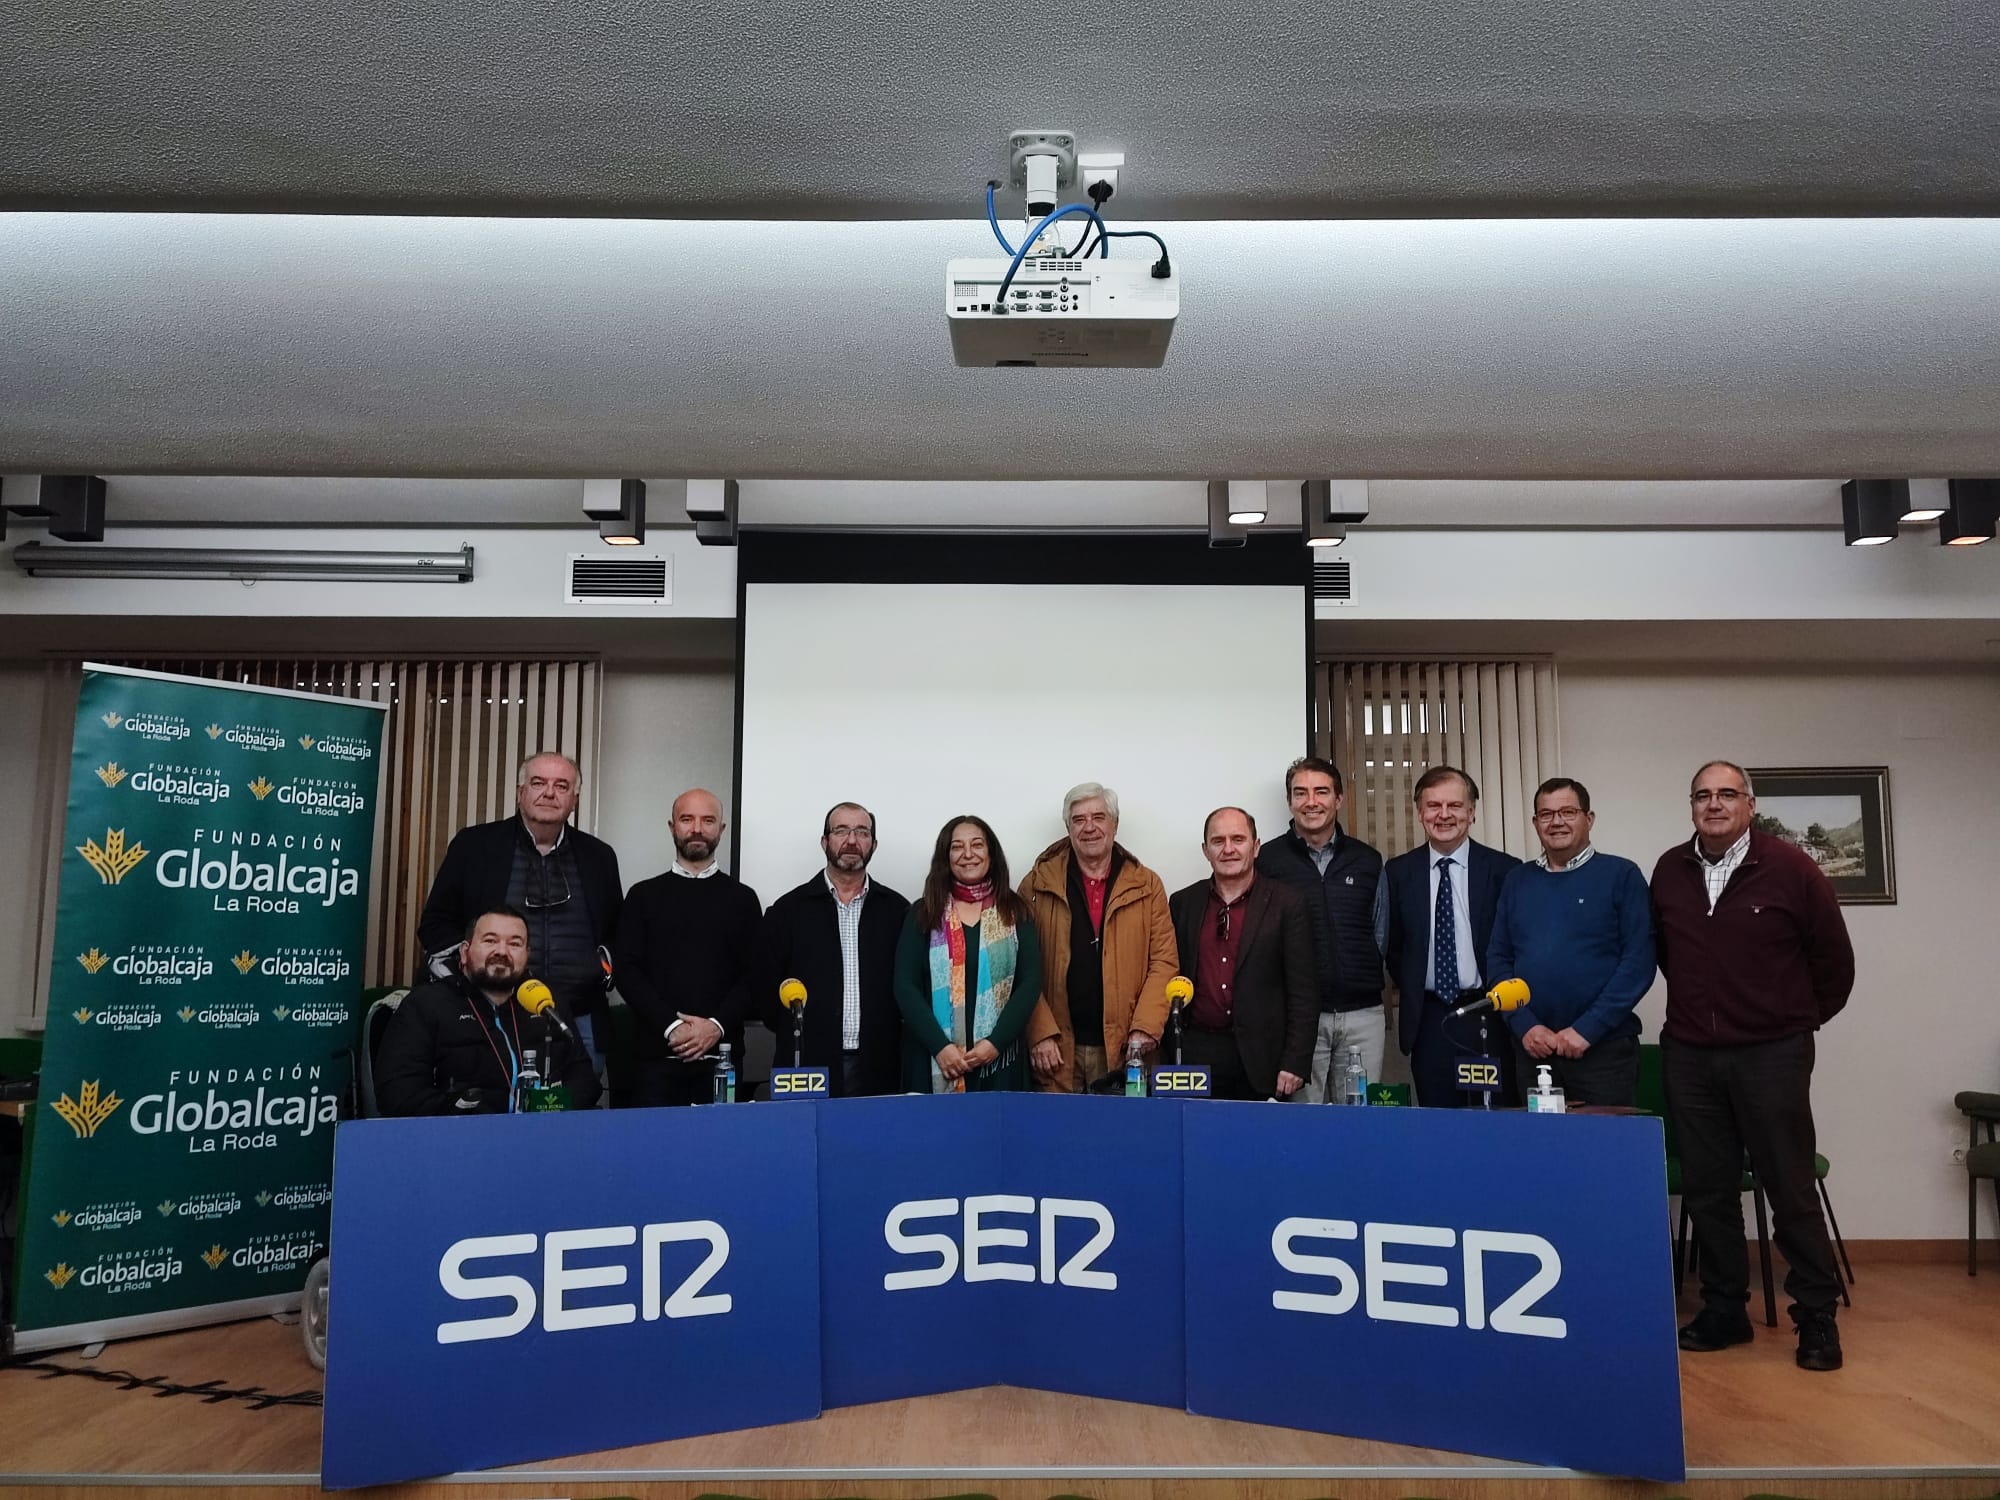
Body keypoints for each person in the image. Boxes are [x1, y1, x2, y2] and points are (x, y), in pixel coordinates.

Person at [1652, 759, 1855, 1372]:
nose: (1714, 804)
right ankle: (1724, 1310)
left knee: (1788, 1185)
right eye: (1703, 795)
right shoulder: (1669, 869)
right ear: (1691, 805)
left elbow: (1835, 964)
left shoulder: (1791, 868)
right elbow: (1667, 954)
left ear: (1749, 802)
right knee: (1710, 1190)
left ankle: (1815, 1316)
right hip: (1690, 1054)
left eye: (1727, 794)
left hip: (1772, 1054)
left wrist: (1790, 1023)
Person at [415, 752, 622, 1075]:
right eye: (538, 783)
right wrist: (471, 973)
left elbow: (616, 931)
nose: (549, 793)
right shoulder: (474, 846)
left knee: (574, 1114)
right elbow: (435, 925)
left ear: (574, 800)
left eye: (561, 786)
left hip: (579, 1016)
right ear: (520, 792)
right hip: (490, 1014)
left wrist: (603, 966)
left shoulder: (600, 857)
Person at [1486, 777, 1654, 1106]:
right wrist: (1525, 1026)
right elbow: (1498, 959)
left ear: (1588, 819)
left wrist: (1588, 1029)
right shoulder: (1517, 880)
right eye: (1546, 814)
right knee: (1542, 1153)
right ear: (1535, 823)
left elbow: (1638, 962)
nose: (1557, 821)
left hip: (1603, 1051)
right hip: (1533, 1050)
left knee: (1605, 1153)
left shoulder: (1621, 875)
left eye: (1568, 811)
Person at [1020, 782, 1178, 1092]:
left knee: (1123, 1137)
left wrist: (1144, 1029)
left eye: (1098, 817)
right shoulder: (1036, 885)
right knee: (1058, 1136)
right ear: (1068, 827)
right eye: (1078, 819)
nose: (1089, 827)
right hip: (1056, 1052)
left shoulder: (1147, 885)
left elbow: (1164, 962)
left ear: (1115, 824)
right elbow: (1019, 966)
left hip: (1126, 1051)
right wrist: (1039, 1031)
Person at [1379, 766, 1521, 1107]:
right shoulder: (1398, 872)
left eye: (1454, 806)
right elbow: (1394, 946)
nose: (1444, 815)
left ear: (1471, 812)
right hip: (1431, 1019)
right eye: (1433, 806)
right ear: (1420, 813)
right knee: (1439, 1123)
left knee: (1496, 1121)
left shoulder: (1505, 870)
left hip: (1492, 1016)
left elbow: (1517, 944)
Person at [612, 789, 763, 1106]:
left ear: (721, 830)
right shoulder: (642, 896)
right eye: (687, 819)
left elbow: (755, 975)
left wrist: (715, 1027)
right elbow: (626, 971)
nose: (697, 828)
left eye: (708, 820)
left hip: (722, 1059)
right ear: (672, 827)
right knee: (656, 1153)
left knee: (722, 1153)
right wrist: (672, 1027)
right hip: (655, 1061)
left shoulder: (743, 899)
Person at [375, 905, 601, 1116]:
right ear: (465, 952)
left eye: (515, 944)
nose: (502, 951)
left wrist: (550, 1107)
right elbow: (397, 1096)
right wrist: (476, 1111)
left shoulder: (547, 1002)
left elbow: (585, 1082)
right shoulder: (426, 1004)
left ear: (527, 954)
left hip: (544, 1138)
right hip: (458, 1143)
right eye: (490, 941)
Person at [755, 802, 913, 1096]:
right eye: (841, 830)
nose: (851, 841)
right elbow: (766, 995)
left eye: (862, 832)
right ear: (824, 841)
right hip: (807, 1068)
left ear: (873, 844)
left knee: (875, 1143)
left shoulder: (899, 912)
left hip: (881, 1066)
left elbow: (911, 988)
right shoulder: (787, 911)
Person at [1255, 755, 1387, 1102]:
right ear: (1289, 801)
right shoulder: (1267, 862)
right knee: (1301, 1126)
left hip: (1362, 1016)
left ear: (1339, 799)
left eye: (1322, 792)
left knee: (1360, 1123)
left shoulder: (1368, 860)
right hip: (1298, 1021)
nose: (1311, 802)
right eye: (1301, 793)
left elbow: (1382, 934)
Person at [1167, 808, 1316, 1100]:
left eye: (1238, 839)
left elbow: (1304, 991)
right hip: (1197, 1056)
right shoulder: (1183, 902)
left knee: (1259, 1144)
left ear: (1256, 846)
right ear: (1205, 850)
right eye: (1218, 841)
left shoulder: (1287, 903)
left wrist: (1295, 1061)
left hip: (1264, 1059)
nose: (1228, 849)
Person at [894, 816, 1044, 1092]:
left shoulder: (1015, 912)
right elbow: (905, 987)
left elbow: (1030, 983)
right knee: (934, 1134)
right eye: (957, 847)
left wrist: (995, 1043)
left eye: (977, 845)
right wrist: (941, 1048)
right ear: (945, 856)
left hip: (1000, 1062)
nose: (968, 854)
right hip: (933, 1060)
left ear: (991, 853)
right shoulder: (923, 913)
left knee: (1000, 1133)